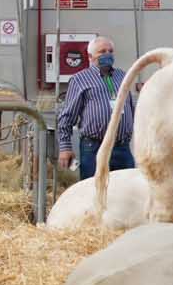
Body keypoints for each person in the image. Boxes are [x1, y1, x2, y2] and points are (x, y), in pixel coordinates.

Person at [56, 36, 135, 178]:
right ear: (90, 56)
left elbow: (131, 108)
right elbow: (67, 116)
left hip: (121, 147)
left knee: (126, 192)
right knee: (93, 191)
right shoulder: (79, 79)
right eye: (102, 51)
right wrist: (65, 147)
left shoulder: (123, 76)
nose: (108, 54)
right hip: (94, 148)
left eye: (110, 51)